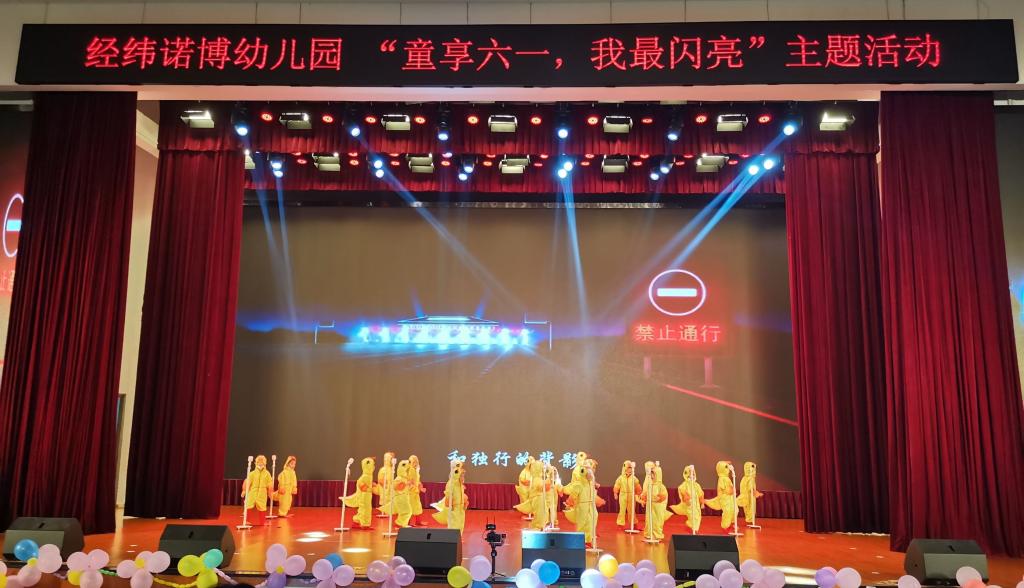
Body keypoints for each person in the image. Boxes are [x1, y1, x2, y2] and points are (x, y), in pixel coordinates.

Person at [563, 462, 597, 546]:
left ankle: (588, 540)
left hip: (590, 505)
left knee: (590, 523)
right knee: (582, 524)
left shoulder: (590, 483)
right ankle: (580, 541)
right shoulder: (579, 484)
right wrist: (569, 502)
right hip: (582, 506)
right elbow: (573, 495)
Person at [639, 463, 671, 541]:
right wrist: (644, 496)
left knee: (657, 521)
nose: (652, 476)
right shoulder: (649, 484)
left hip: (658, 507)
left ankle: (657, 535)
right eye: (651, 474)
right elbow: (646, 493)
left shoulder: (661, 486)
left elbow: (663, 496)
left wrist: (659, 498)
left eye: (653, 474)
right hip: (650, 505)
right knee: (649, 519)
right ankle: (649, 533)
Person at [433, 460, 468, 531]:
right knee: (454, 526)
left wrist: (464, 503)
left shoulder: (460, 485)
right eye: (461, 476)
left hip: (460, 509)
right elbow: (448, 498)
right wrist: (450, 506)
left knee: (460, 525)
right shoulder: (451, 484)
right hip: (454, 509)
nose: (462, 478)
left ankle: (459, 536)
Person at [342, 457, 376, 529]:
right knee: (365, 510)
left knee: (363, 509)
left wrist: (371, 485)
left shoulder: (368, 476)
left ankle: (356, 521)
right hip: (364, 496)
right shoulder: (365, 476)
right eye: (372, 465)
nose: (373, 467)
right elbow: (362, 486)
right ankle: (364, 524)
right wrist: (370, 489)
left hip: (366, 496)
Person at [669, 465, 705, 533]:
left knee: (698, 516)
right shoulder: (684, 485)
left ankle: (694, 528)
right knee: (692, 516)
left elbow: (701, 493)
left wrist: (702, 503)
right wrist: (686, 498)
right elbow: (682, 491)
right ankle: (694, 529)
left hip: (696, 505)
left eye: (693, 474)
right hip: (689, 505)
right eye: (689, 475)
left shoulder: (696, 485)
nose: (692, 477)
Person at [514, 459, 549, 530]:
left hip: (538, 498)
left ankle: (539, 526)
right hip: (537, 498)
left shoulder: (537, 478)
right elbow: (541, 488)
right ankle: (538, 527)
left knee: (542, 513)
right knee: (540, 514)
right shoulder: (536, 479)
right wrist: (548, 484)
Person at [705, 461, 738, 530]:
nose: (728, 468)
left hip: (730, 498)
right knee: (728, 511)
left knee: (735, 510)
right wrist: (731, 491)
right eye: (726, 467)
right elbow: (726, 490)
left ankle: (732, 523)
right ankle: (725, 526)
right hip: (725, 499)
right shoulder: (722, 479)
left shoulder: (727, 478)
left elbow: (731, 488)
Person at [241, 455, 273, 525]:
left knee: (262, 507)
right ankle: (246, 520)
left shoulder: (267, 474)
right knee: (248, 505)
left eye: (262, 462)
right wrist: (244, 490)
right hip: (252, 492)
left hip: (262, 493)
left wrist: (270, 492)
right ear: (256, 463)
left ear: (265, 463)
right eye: (259, 462)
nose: (260, 463)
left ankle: (262, 522)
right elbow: (247, 482)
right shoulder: (252, 473)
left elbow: (270, 484)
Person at [613, 461, 641, 528]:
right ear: (624, 469)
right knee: (622, 510)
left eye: (630, 468)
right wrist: (615, 493)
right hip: (623, 495)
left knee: (632, 510)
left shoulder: (634, 478)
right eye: (628, 468)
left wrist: (639, 493)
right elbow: (616, 486)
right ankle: (620, 523)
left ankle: (633, 523)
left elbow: (637, 486)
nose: (629, 470)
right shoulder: (620, 478)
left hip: (631, 495)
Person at [392, 459, 414, 528]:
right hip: (400, 497)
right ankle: (400, 523)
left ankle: (401, 523)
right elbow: (397, 487)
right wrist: (407, 483)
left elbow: (405, 488)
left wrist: (410, 486)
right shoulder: (399, 478)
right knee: (407, 511)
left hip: (403, 496)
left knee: (406, 511)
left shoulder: (403, 478)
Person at [408, 455, 426, 526]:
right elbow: (411, 481)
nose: (415, 463)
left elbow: (417, 480)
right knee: (411, 506)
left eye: (416, 461)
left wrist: (420, 486)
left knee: (417, 506)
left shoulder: (415, 470)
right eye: (413, 461)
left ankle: (418, 521)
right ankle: (409, 522)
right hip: (411, 491)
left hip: (415, 491)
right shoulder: (411, 470)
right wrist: (418, 487)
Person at [376, 452, 395, 517]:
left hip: (390, 488)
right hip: (385, 488)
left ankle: (388, 511)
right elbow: (380, 480)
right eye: (391, 458)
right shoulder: (383, 470)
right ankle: (384, 511)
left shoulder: (391, 469)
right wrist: (386, 486)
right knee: (385, 499)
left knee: (389, 499)